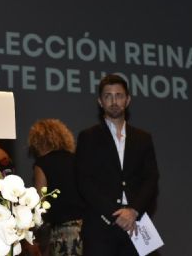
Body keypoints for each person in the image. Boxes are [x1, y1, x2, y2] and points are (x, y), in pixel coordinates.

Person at [75, 74, 159, 256]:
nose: (114, 101)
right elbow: (84, 182)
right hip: (101, 226)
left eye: (119, 95)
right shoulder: (88, 137)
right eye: (108, 96)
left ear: (128, 100)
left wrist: (133, 210)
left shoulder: (143, 138)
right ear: (100, 101)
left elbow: (151, 178)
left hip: (136, 224)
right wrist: (116, 213)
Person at [29, 119, 84, 256]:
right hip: (86, 230)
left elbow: (39, 205)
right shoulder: (77, 159)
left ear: (37, 141)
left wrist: (32, 237)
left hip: (62, 233)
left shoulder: (42, 164)